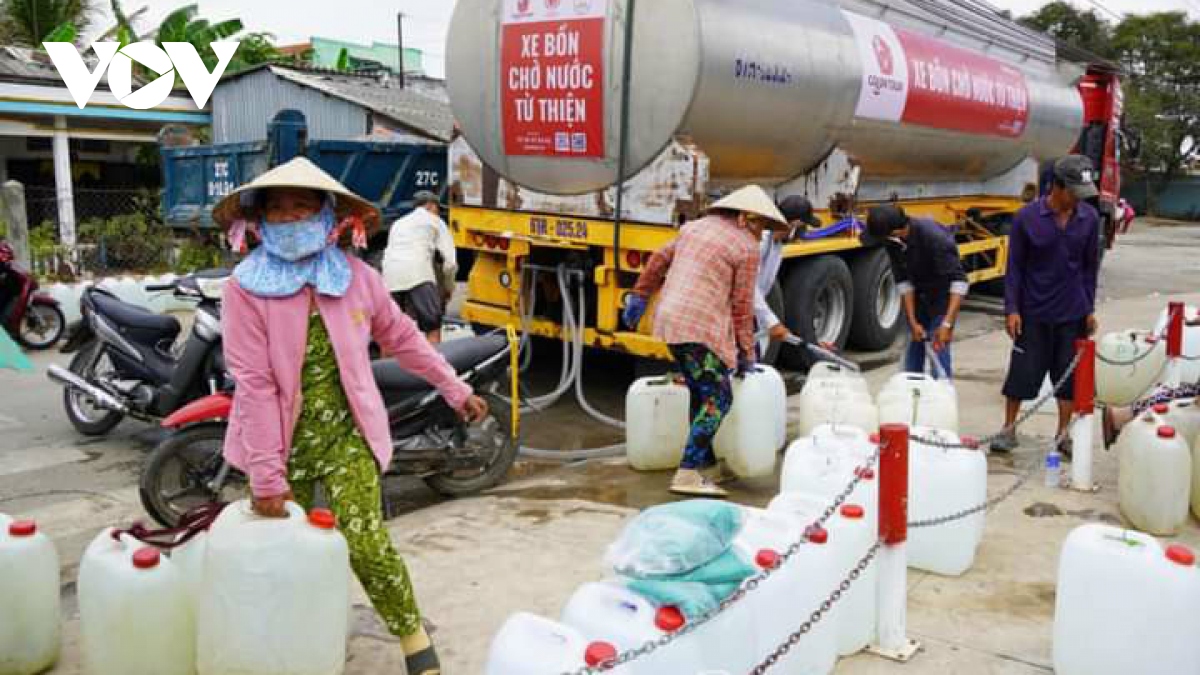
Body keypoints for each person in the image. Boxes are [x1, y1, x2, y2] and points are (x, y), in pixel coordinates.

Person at [214, 158, 488, 675]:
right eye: (277, 209)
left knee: (366, 541)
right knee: (280, 555)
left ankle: (413, 641)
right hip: (278, 444)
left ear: (329, 215)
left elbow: (403, 339)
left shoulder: (357, 277)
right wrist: (267, 476)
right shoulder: (244, 289)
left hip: (348, 436)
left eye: (302, 206)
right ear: (258, 221)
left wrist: (455, 388)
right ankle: (287, 646)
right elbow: (254, 385)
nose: (290, 219)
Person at [623, 185, 789, 497]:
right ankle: (687, 473)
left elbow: (659, 258)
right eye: (758, 226)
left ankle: (706, 464)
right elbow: (742, 306)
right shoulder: (746, 248)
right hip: (699, 327)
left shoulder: (694, 228)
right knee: (720, 399)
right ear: (744, 218)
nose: (760, 234)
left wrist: (640, 294)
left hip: (670, 320)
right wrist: (747, 352)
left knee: (701, 393)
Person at [991, 155, 1101, 454]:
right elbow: (1015, 268)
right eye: (1074, 192)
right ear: (1057, 187)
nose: (1079, 199)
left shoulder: (1089, 218)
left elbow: (1090, 268)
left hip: (1072, 313)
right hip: (1033, 313)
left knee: (1067, 377)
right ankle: (1009, 428)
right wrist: (1012, 309)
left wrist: (1089, 308)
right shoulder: (1027, 218)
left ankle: (1062, 434)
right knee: (1022, 373)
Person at [860, 204, 968, 380]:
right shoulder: (892, 242)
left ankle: (940, 397)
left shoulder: (935, 238)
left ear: (896, 232)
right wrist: (913, 321)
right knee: (913, 350)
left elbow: (959, 282)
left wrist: (946, 324)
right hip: (919, 296)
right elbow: (904, 282)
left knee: (938, 351)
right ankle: (911, 392)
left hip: (942, 298)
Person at [382, 191, 458, 344]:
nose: (438, 213)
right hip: (418, 275)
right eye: (437, 209)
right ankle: (434, 367)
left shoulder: (398, 223)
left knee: (390, 332)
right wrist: (449, 287)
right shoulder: (435, 221)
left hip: (390, 277)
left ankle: (386, 367)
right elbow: (450, 263)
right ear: (430, 206)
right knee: (432, 326)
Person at [754, 196, 819, 346]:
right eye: (804, 225)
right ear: (795, 224)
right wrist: (772, 323)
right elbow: (749, 287)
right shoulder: (761, 242)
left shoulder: (777, 244)